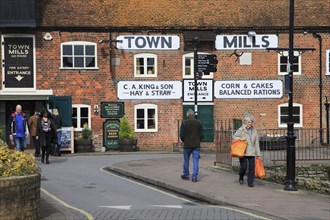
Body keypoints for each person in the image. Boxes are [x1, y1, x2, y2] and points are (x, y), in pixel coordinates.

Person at [233, 114, 261, 187]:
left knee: (252, 167)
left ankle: (250, 182)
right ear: (245, 122)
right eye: (248, 122)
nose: (250, 123)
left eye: (251, 122)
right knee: (244, 167)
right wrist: (240, 138)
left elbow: (256, 143)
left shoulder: (254, 130)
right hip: (243, 151)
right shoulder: (241, 129)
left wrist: (258, 154)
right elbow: (234, 137)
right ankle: (241, 176)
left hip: (252, 151)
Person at [180, 109, 203, 182]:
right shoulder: (199, 122)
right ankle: (194, 177)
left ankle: (186, 174)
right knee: (195, 161)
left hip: (187, 145)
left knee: (186, 160)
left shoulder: (184, 122)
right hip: (196, 145)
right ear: (193, 115)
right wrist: (199, 141)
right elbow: (201, 135)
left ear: (187, 115)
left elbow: (181, 135)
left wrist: (185, 141)